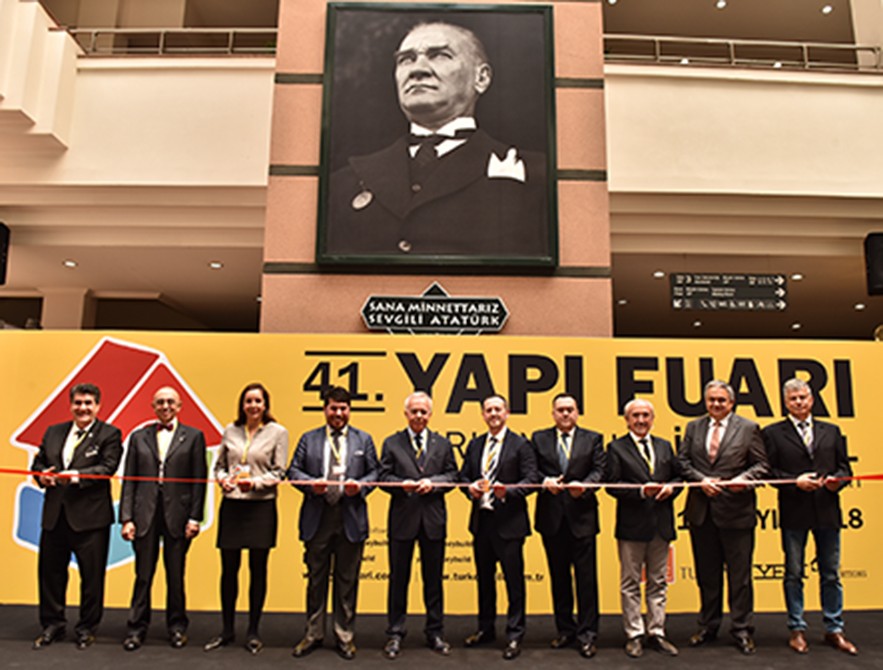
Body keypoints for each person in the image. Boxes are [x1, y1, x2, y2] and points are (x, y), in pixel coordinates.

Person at [325, 21, 548, 259]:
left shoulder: (538, 174)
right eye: (406, 60)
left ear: (481, 78)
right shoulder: (344, 182)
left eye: (440, 55)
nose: (417, 69)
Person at [762, 378, 857, 655]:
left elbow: (845, 468)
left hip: (828, 511)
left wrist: (837, 482)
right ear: (785, 403)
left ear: (812, 399)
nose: (799, 402)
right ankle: (797, 628)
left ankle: (834, 628)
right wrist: (795, 482)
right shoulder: (773, 433)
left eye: (803, 397)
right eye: (793, 399)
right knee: (794, 573)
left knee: (831, 574)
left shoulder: (832, 430)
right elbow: (768, 472)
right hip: (794, 512)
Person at [677, 380, 768, 655]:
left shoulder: (749, 428)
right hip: (701, 513)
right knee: (707, 575)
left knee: (740, 577)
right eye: (711, 400)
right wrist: (701, 480)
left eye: (721, 400)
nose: (716, 404)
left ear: (731, 402)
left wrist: (744, 479)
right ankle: (708, 626)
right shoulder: (693, 427)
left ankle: (742, 629)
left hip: (737, 513)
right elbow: (682, 463)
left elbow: (762, 465)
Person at [288, 386, 379, 661]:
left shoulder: (364, 439)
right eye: (333, 408)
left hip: (351, 517)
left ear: (349, 410)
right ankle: (313, 634)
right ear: (325, 409)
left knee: (347, 581)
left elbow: (376, 472)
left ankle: (344, 636)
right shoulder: (309, 439)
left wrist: (360, 486)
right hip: (318, 518)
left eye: (343, 408)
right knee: (316, 580)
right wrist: (310, 484)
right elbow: (293, 470)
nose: (338, 413)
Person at [30, 383, 123, 650]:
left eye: (88, 403)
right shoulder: (53, 432)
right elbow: (38, 463)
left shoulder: (110, 434)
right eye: (78, 403)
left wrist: (76, 476)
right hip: (54, 516)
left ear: (98, 406)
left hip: (91, 519)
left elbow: (107, 468)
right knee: (50, 575)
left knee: (92, 578)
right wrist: (41, 476)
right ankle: (52, 625)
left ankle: (86, 628)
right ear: (70, 405)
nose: (83, 408)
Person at [119, 386, 208, 651]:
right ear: (153, 407)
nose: (165, 406)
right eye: (160, 402)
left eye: (170, 402)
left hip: (178, 516)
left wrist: (195, 517)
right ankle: (136, 629)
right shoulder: (138, 437)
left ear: (179, 406)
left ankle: (177, 627)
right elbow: (129, 480)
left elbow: (199, 481)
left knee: (176, 575)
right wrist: (126, 518)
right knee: (143, 575)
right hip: (144, 514)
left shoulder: (194, 437)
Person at [204, 383, 289, 655]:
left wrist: (255, 483)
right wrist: (223, 480)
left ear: (265, 405)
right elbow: (219, 466)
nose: (253, 406)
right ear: (242, 405)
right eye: (248, 401)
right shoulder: (230, 430)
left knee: (257, 570)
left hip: (260, 507)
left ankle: (253, 631)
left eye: (258, 401)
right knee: (228, 570)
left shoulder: (278, 432)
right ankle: (227, 630)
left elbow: (279, 472)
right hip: (232, 506)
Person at [378, 391, 458, 659]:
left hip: (433, 521)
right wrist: (400, 485)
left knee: (433, 581)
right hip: (402, 520)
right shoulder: (392, 442)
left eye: (423, 411)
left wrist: (434, 483)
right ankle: (395, 633)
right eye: (414, 411)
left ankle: (435, 632)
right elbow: (382, 476)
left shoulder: (443, 444)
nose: (419, 416)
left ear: (430, 414)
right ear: (406, 413)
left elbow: (453, 475)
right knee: (398, 579)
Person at [460, 394, 537, 660]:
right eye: (488, 410)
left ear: (507, 413)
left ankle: (515, 634)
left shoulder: (521, 444)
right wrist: (469, 487)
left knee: (514, 582)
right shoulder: (475, 444)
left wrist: (509, 491)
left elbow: (531, 479)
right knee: (484, 580)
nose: (493, 414)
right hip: (482, 522)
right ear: (483, 414)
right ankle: (486, 629)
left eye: (498, 409)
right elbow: (463, 476)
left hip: (510, 524)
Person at [530, 393, 605, 658]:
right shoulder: (539, 438)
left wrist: (584, 486)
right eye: (560, 409)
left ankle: (587, 635)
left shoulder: (593, 438)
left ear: (577, 412)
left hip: (582, 518)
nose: (565, 413)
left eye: (570, 409)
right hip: (551, 519)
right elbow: (531, 471)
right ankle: (565, 630)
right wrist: (544, 481)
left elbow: (599, 471)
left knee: (586, 580)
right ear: (553, 413)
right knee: (559, 578)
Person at [605, 399, 680, 658]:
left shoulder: (664, 445)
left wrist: (671, 488)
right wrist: (639, 492)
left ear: (652, 418)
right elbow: (611, 485)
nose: (641, 420)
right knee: (630, 583)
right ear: (627, 420)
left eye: (646, 415)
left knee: (658, 582)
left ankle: (656, 632)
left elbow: (678, 477)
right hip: (632, 526)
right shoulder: (616, 447)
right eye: (635, 415)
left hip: (661, 525)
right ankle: (634, 634)